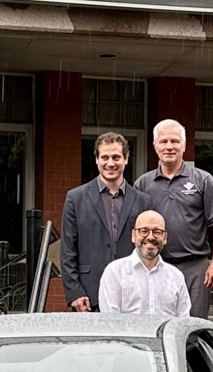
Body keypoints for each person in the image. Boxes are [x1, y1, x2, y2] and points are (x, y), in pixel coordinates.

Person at [134, 119, 213, 319]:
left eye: (175, 141)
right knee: (157, 324)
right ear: (155, 146)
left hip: (196, 269)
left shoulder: (203, 180)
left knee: (194, 325)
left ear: (184, 146)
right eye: (164, 141)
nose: (169, 146)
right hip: (157, 265)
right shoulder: (143, 184)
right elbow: (135, 229)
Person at [60, 131, 148, 311]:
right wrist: (74, 292)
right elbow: (67, 250)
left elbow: (147, 246)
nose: (110, 163)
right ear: (96, 160)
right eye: (105, 157)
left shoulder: (143, 201)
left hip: (133, 294)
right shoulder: (75, 199)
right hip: (88, 295)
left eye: (116, 157)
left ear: (126, 158)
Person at [97, 209, 191, 316]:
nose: (150, 237)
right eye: (144, 231)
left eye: (157, 232)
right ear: (133, 235)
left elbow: (183, 322)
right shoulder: (115, 272)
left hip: (166, 333)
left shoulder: (176, 277)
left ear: (165, 238)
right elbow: (111, 321)